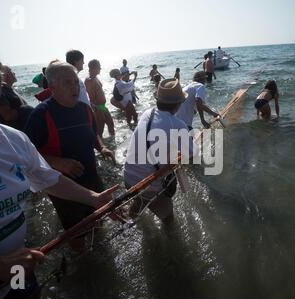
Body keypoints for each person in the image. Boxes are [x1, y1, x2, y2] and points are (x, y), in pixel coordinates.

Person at [0, 38, 118, 299]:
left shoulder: (12, 140)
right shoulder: (41, 115)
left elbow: (49, 179)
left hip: (19, 275)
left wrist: (94, 198)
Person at [25, 61, 116, 252]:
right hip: (64, 187)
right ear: (52, 87)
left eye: (76, 82)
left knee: (98, 218)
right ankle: (83, 265)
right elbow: (27, 155)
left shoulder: (85, 109)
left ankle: (101, 254)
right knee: (76, 231)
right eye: (68, 83)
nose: (75, 87)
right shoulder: (41, 115)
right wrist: (58, 162)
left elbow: (93, 135)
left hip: (91, 176)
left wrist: (102, 148)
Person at [124, 79, 195, 225]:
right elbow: (192, 155)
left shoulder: (147, 113)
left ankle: (131, 219)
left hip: (129, 177)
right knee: (168, 220)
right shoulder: (178, 124)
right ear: (178, 105)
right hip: (150, 185)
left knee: (138, 202)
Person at [0, 65, 33, 132]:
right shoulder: (1, 92)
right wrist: (25, 110)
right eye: (11, 71)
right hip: (16, 131)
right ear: (5, 75)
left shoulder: (10, 89)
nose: (14, 73)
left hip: (25, 128)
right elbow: (7, 116)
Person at [85, 59, 115, 137]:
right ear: (93, 68)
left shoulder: (95, 78)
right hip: (98, 107)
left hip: (102, 106)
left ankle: (113, 144)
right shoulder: (89, 80)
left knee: (111, 124)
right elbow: (91, 97)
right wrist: (98, 109)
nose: (100, 68)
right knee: (100, 130)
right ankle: (100, 147)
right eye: (99, 67)